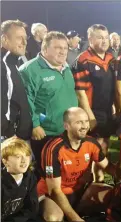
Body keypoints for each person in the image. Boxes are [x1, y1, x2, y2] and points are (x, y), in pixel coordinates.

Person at [37, 107, 115, 221]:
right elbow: (54, 191)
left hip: (79, 191)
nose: (84, 126)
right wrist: (76, 219)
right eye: (79, 122)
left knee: (114, 194)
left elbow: (108, 167)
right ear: (66, 126)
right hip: (51, 194)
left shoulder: (91, 142)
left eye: (86, 121)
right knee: (53, 217)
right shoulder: (53, 148)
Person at [19, 31, 78, 171]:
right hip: (46, 133)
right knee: (47, 172)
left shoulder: (66, 67)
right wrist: (34, 125)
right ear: (44, 49)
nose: (63, 51)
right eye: (58, 48)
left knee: (66, 168)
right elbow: (26, 101)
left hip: (67, 130)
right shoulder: (29, 70)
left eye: (65, 48)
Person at [72, 24, 117, 182]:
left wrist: (113, 106)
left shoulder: (111, 58)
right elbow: (80, 92)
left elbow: (111, 86)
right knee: (95, 148)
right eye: (99, 37)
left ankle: (98, 180)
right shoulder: (84, 60)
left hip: (107, 111)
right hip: (92, 111)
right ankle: (92, 181)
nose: (104, 41)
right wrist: (90, 117)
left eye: (106, 37)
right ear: (90, 39)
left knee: (105, 145)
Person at [1, 20, 32, 141]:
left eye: (26, 38)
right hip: (9, 140)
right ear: (4, 39)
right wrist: (9, 135)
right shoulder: (2, 66)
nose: (24, 42)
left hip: (19, 137)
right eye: (19, 38)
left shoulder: (13, 63)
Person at [1, 137, 38, 221]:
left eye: (27, 155)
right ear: (5, 161)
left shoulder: (30, 177)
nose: (24, 160)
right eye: (18, 156)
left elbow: (31, 209)